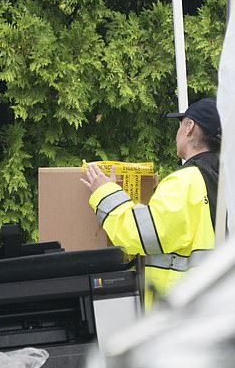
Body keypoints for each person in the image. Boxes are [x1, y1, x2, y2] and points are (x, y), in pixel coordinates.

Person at [81, 98, 221, 309]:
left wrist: (105, 192)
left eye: (179, 124)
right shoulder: (225, 178)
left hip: (181, 315)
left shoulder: (185, 183)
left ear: (189, 127)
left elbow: (138, 235)